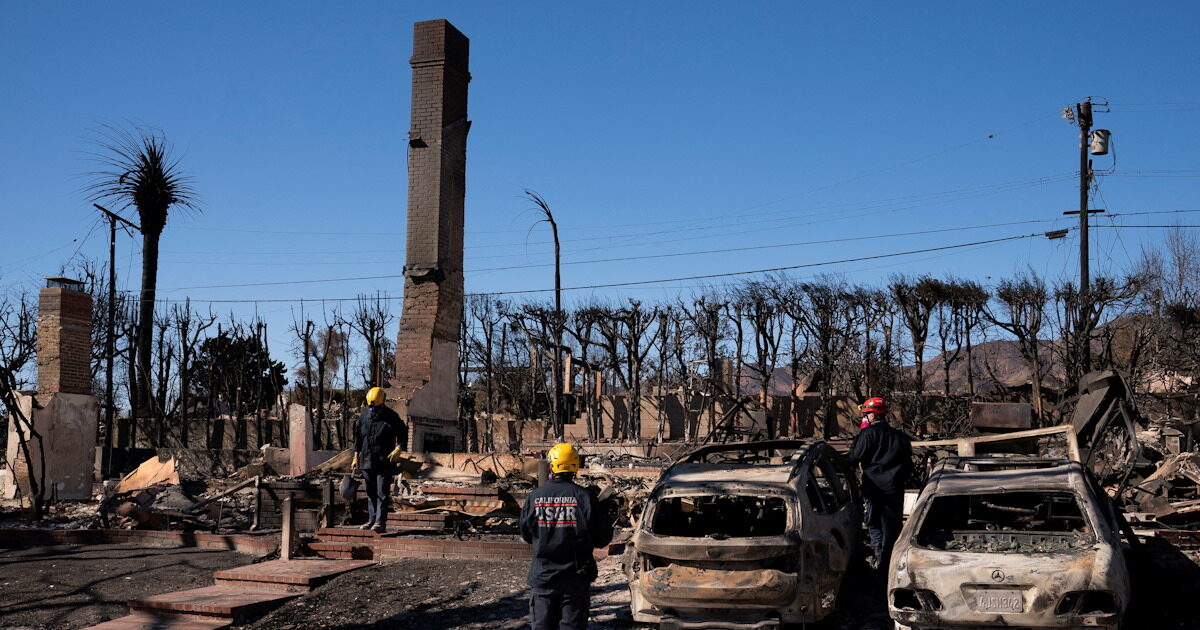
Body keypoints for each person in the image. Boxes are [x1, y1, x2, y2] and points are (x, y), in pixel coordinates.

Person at [520, 443, 613, 630]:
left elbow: (527, 535)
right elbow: (603, 538)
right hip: (575, 581)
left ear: (551, 466)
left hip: (544, 578)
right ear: (575, 466)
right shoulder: (585, 498)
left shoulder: (534, 497)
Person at [848, 396, 912, 570]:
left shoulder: (867, 434)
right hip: (894, 490)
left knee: (875, 525)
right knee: (892, 528)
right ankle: (891, 565)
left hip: (874, 490)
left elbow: (853, 458)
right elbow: (909, 466)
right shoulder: (900, 437)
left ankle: (879, 561)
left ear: (870, 415)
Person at [352, 387, 406, 533]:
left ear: (382, 403)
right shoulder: (363, 417)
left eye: (376, 407)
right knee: (370, 492)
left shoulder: (391, 417)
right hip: (366, 460)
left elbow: (403, 433)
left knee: (382, 491)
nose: (373, 409)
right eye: (371, 407)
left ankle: (380, 522)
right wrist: (355, 456)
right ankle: (371, 519)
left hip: (384, 461)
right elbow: (358, 438)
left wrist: (399, 448)